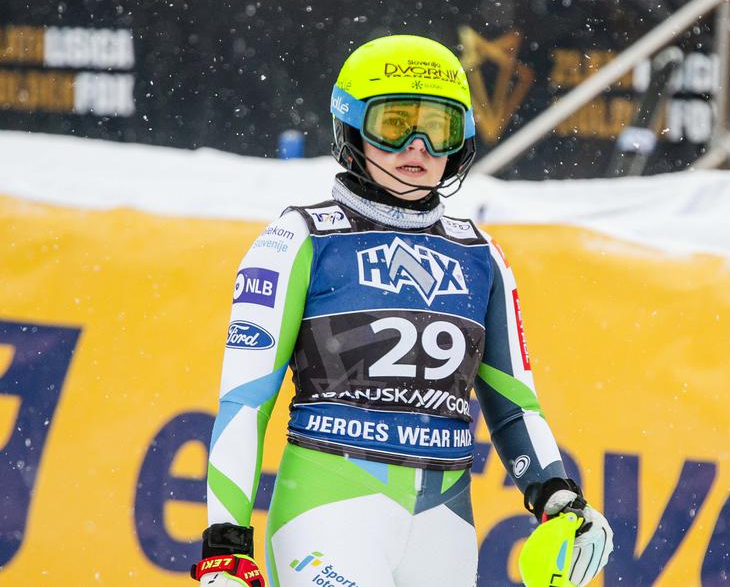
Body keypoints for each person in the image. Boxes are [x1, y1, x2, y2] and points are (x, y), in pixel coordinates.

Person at [191, 34, 613, 587]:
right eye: (394, 125)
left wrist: (559, 497)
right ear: (351, 128)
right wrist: (225, 544)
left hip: (445, 529)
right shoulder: (298, 238)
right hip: (328, 515)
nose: (418, 147)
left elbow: (514, 407)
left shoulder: (481, 254)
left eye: (439, 128)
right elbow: (246, 403)